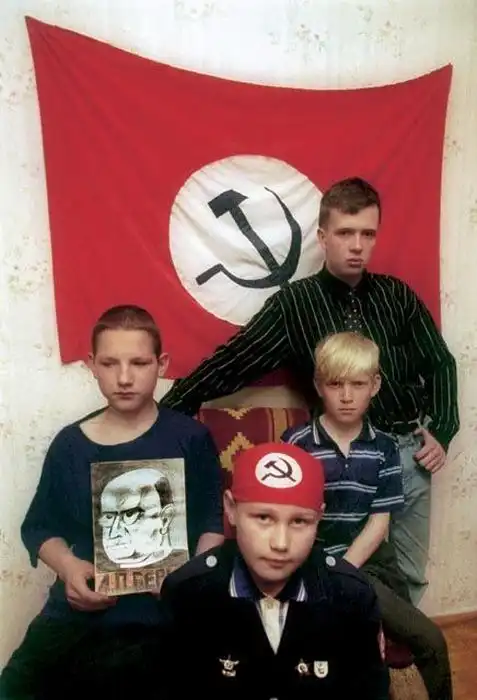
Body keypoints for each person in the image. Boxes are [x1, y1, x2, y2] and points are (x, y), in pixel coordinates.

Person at [160, 176, 459, 604]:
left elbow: (440, 362)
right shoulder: (295, 305)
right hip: (339, 461)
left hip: (409, 455)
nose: (356, 245)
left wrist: (443, 429)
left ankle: (400, 645)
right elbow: (233, 361)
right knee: (329, 573)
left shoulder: (398, 296)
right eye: (345, 233)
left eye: (367, 234)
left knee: (408, 577)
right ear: (322, 237)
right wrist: (168, 410)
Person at [0, 305, 224, 699]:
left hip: (165, 609)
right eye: (109, 363)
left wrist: (189, 580)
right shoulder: (70, 444)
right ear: (91, 365)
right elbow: (39, 526)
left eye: (139, 362)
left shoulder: (190, 438)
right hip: (82, 608)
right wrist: (68, 567)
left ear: (161, 364)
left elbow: (212, 520)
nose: (124, 377)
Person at [282, 331, 452, 700]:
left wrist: (341, 573)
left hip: (366, 566)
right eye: (335, 384)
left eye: (357, 384)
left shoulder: (384, 447)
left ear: (374, 385)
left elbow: (379, 524)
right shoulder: (296, 443)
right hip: (308, 565)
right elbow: (287, 520)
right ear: (318, 385)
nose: (346, 396)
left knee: (431, 641)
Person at [161, 441, 390, 700]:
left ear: (319, 518)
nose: (280, 543)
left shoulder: (351, 596)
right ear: (231, 509)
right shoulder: (188, 594)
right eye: (263, 518)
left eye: (299, 521)